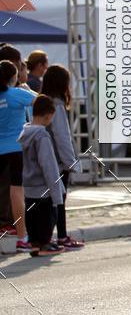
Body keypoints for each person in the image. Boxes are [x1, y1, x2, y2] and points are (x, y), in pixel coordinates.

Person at [41, 65, 84, 249]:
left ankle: (50, 236)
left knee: (48, 199)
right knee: (59, 199)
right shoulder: (57, 105)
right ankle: (60, 237)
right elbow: (62, 137)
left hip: (45, 157)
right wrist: (71, 162)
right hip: (58, 160)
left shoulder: (42, 102)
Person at [18, 95, 66, 256]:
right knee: (47, 217)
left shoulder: (25, 133)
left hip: (29, 186)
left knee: (31, 216)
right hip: (43, 187)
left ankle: (34, 244)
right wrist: (57, 192)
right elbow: (49, 165)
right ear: (48, 116)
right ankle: (45, 244)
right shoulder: (42, 135)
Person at [0, 59, 37, 251]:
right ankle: (22, 238)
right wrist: (27, 89)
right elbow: (43, 101)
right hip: (16, 148)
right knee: (17, 192)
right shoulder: (17, 93)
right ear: (14, 77)